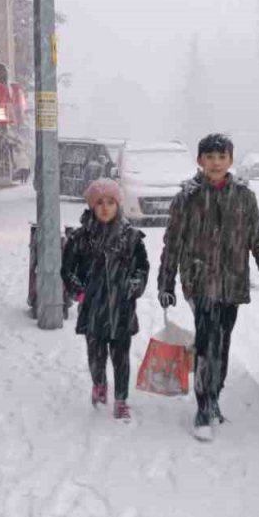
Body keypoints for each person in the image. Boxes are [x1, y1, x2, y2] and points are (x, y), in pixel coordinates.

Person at [157, 132, 259, 438]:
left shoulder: (244, 197)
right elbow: (173, 242)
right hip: (199, 281)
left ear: (230, 161)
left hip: (233, 281)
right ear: (199, 161)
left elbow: (257, 234)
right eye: (209, 157)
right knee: (208, 342)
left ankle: (214, 396)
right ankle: (203, 406)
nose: (215, 163)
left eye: (221, 157)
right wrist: (166, 282)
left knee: (222, 344)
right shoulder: (188, 197)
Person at [61, 177, 150, 421]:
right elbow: (67, 269)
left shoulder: (130, 238)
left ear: (118, 205)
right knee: (96, 355)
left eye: (110, 202)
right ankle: (99, 385)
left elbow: (141, 267)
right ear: (91, 206)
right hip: (93, 311)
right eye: (99, 202)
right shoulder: (80, 239)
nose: (105, 207)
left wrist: (135, 285)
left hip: (121, 310)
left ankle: (121, 399)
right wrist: (78, 291)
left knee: (121, 359)